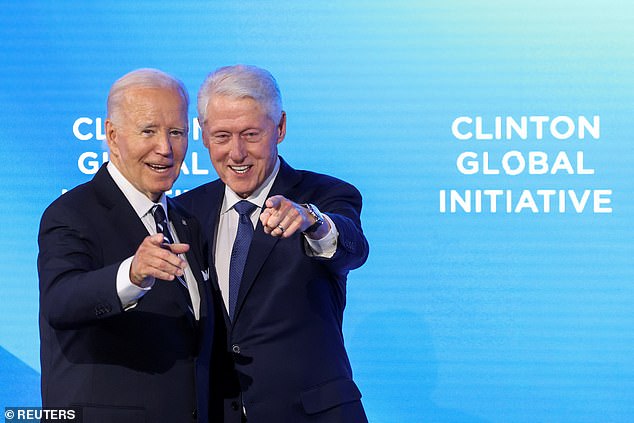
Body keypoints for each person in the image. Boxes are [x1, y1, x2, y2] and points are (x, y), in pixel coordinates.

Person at [177, 65, 369, 422]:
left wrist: (312, 220)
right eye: (221, 136)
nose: (236, 153)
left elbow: (352, 247)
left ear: (279, 127)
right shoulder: (186, 212)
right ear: (202, 134)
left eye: (250, 134)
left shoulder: (325, 195)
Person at [38, 68, 214, 422]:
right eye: (148, 131)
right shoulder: (71, 213)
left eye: (176, 132)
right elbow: (59, 301)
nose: (165, 148)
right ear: (113, 136)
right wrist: (131, 274)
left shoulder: (186, 222)